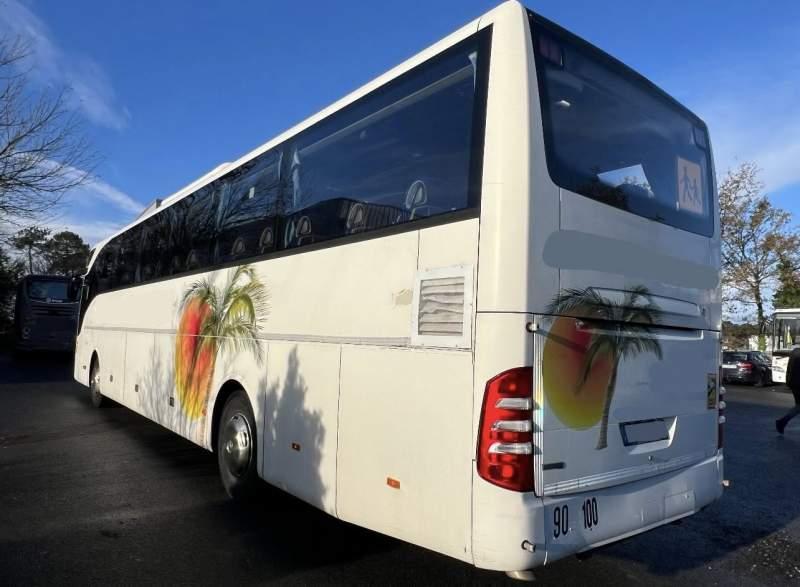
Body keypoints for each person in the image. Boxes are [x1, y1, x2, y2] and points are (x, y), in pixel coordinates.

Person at [776, 344, 800, 434]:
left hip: (793, 384)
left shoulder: (795, 352)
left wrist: (788, 382)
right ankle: (782, 421)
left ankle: (782, 422)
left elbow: (789, 368)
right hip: (798, 384)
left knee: (798, 407)